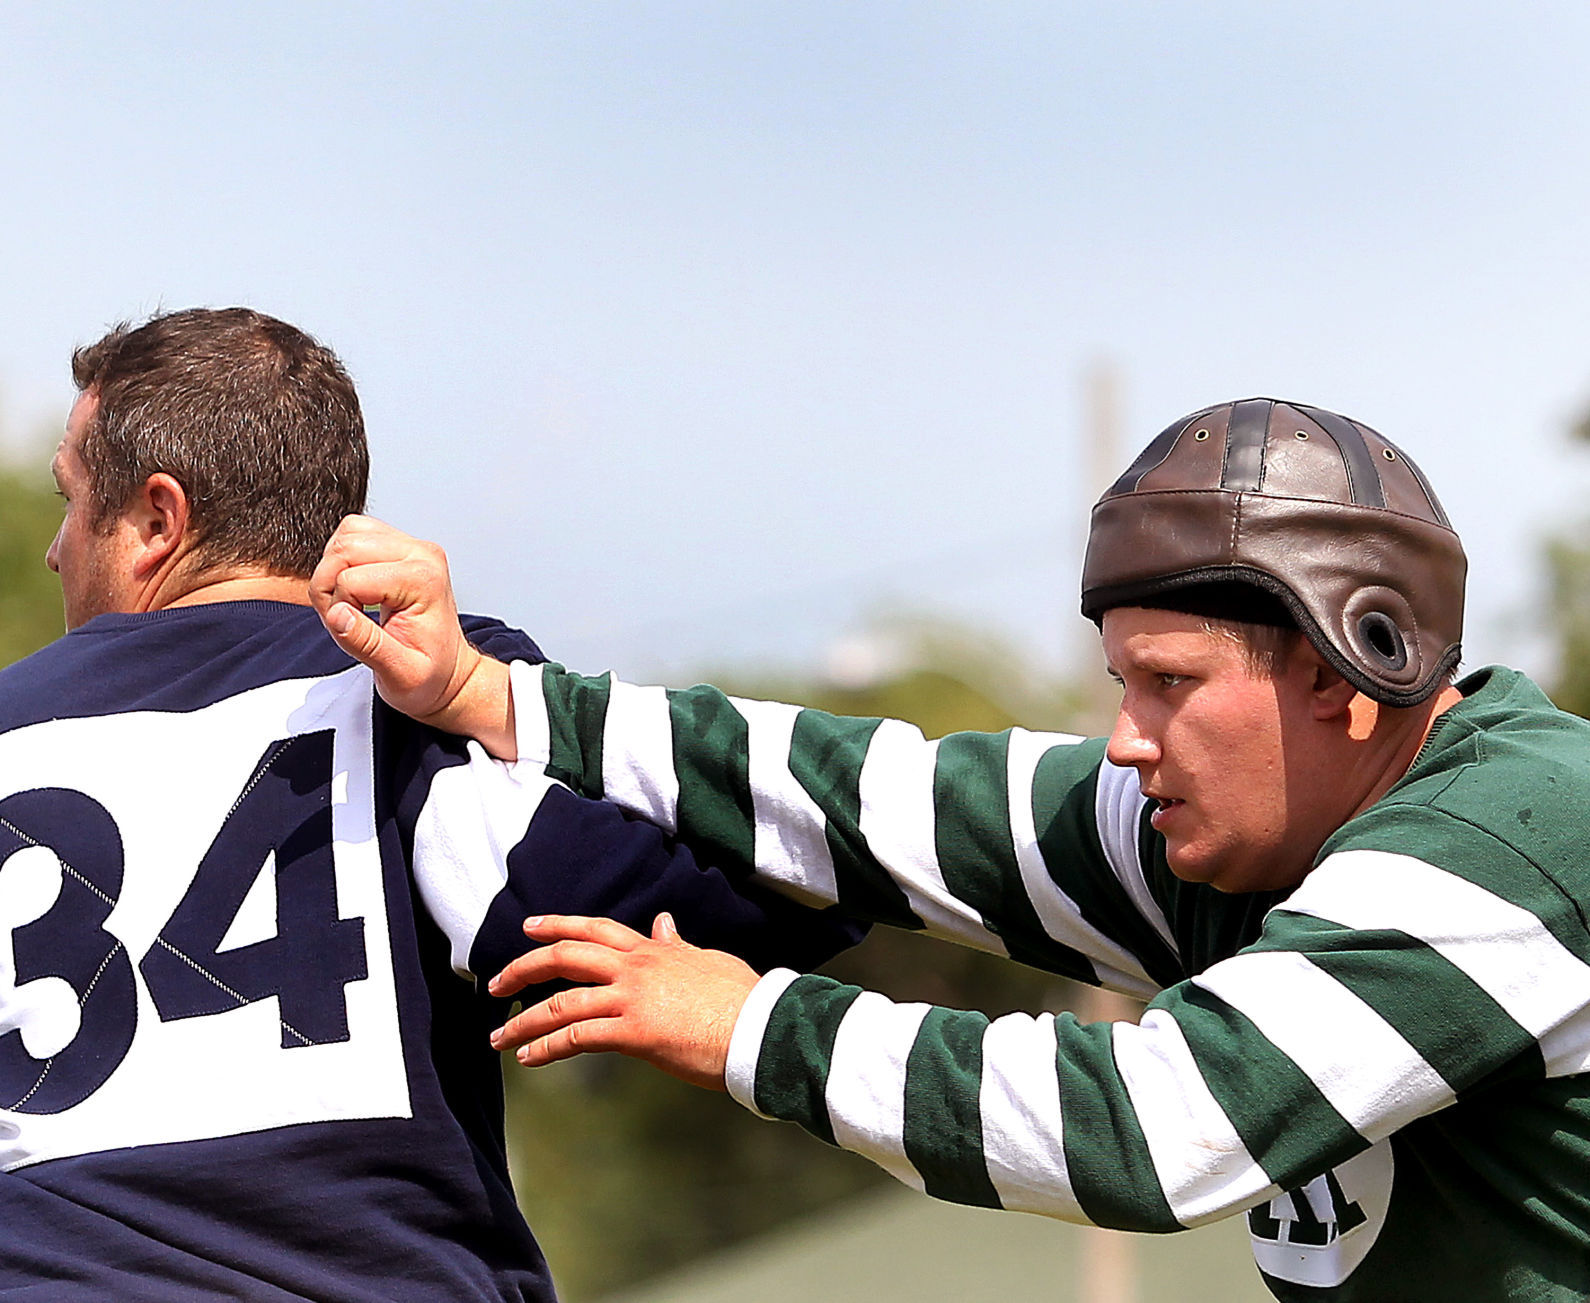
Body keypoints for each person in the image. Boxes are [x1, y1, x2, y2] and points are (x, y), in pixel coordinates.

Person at [315, 396, 1590, 1302]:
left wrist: (751, 1022)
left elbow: (1151, 1127)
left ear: (1342, 664)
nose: (1128, 738)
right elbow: (879, 800)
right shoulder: (1251, 825)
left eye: (1168, 681)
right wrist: (494, 697)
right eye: (1117, 679)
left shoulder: (1514, 847)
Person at [0, 307, 859, 1302]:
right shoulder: (412, 690)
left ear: (159, 517)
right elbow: (770, 865)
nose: (56, 549)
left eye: (70, 500)